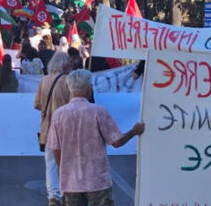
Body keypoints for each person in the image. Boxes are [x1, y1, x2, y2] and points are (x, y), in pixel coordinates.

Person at [47, 69, 145, 206]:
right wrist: (134, 131)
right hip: (98, 181)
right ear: (88, 88)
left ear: (69, 88)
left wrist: (65, 169)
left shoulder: (58, 115)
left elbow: (56, 149)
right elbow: (117, 141)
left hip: (70, 182)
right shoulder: (98, 111)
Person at [33, 52, 72, 206]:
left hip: (48, 127)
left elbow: (36, 104)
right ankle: (66, 193)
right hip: (66, 127)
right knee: (66, 161)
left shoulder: (44, 80)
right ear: (63, 64)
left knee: (50, 162)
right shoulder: (68, 81)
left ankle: (53, 196)